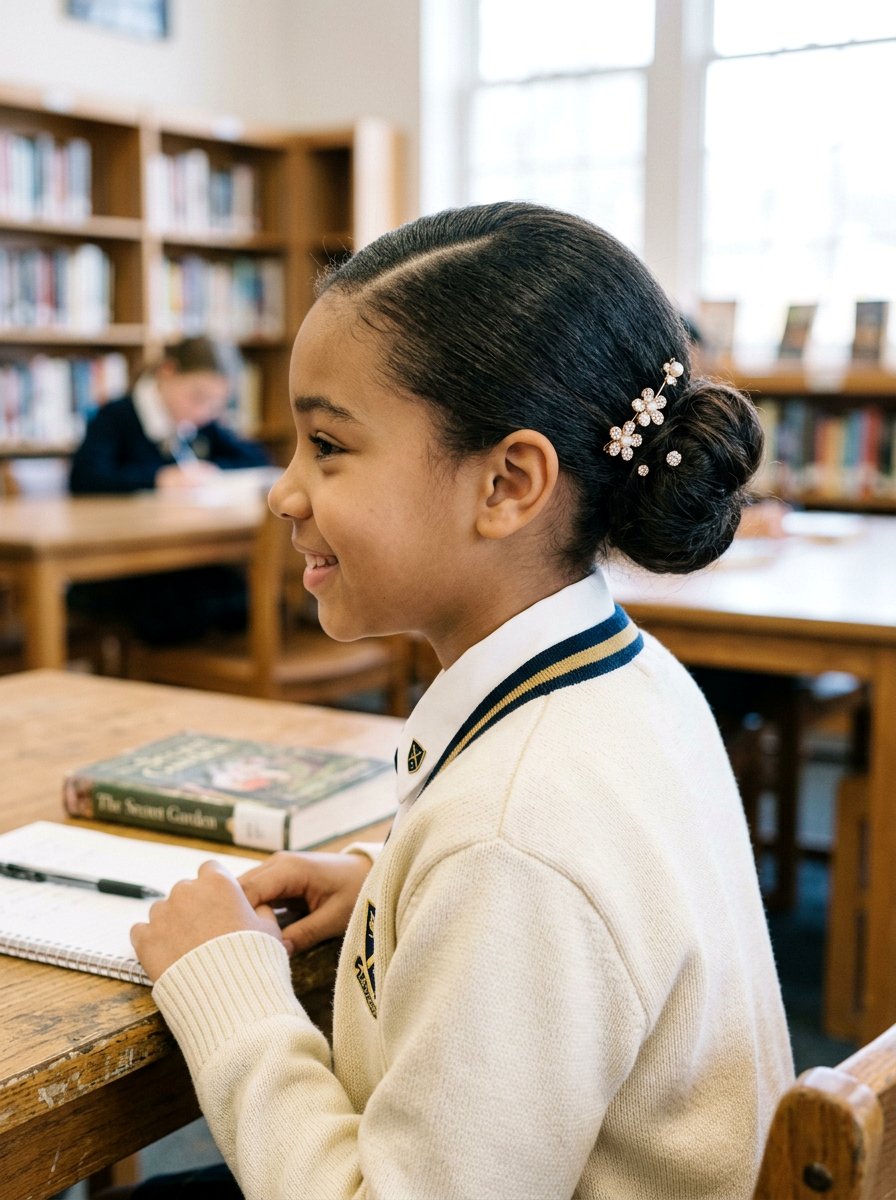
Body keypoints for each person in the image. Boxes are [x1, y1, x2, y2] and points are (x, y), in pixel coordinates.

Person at [117, 203, 794, 1199]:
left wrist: (232, 990)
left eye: (328, 445)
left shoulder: (510, 847)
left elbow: (522, 868)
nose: (283, 492)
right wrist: (397, 888)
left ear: (507, 484)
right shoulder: (635, 673)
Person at [68, 336, 270, 645]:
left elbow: (255, 458)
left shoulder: (199, 421)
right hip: (124, 563)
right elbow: (86, 480)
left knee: (241, 598)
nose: (205, 410)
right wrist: (158, 478)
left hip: (183, 557)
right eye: (198, 397)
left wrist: (211, 471)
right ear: (167, 372)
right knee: (187, 609)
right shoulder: (117, 416)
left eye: (216, 402)